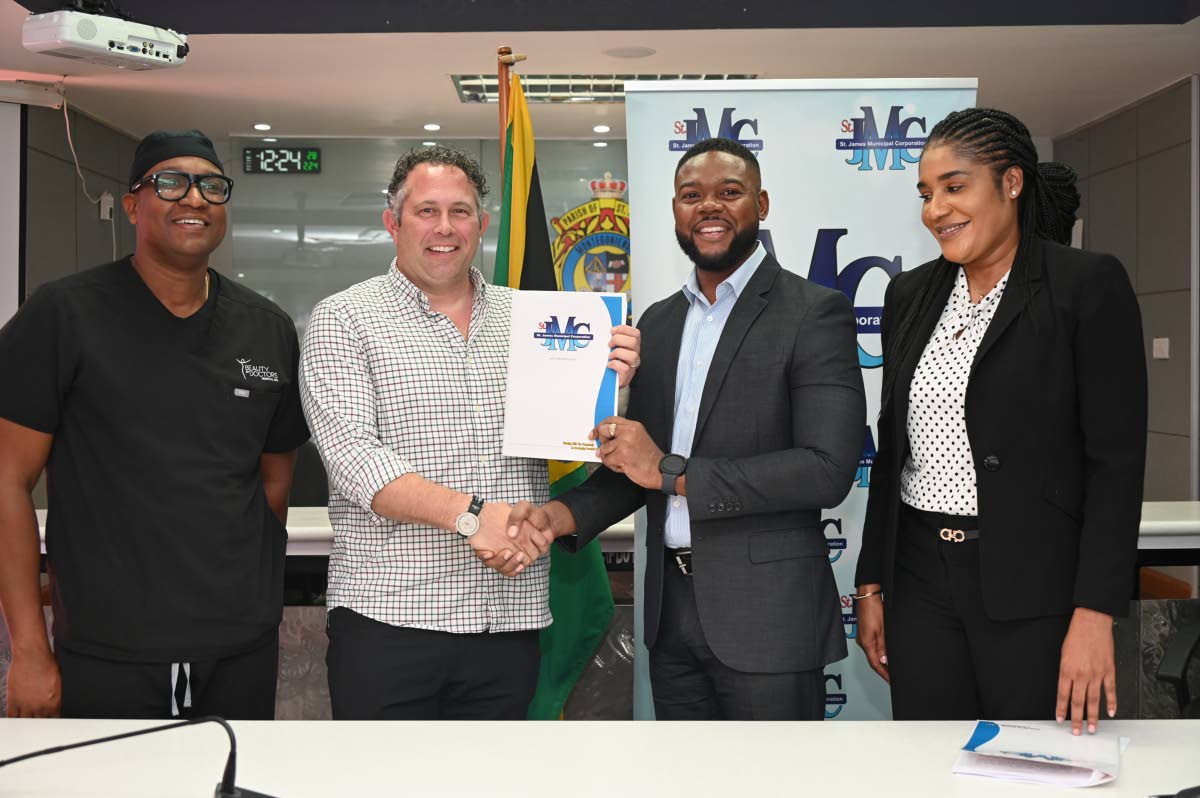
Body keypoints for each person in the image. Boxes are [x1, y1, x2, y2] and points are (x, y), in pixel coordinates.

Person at [500, 137, 866, 720]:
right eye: (691, 195)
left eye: (729, 192)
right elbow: (635, 469)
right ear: (675, 209)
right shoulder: (659, 321)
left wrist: (669, 471)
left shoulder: (812, 311)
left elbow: (825, 471)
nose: (708, 207)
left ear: (762, 203)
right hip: (671, 616)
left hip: (767, 621)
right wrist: (558, 516)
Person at [299, 145, 640, 720]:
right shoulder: (343, 318)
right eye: (426, 211)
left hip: (507, 616)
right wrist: (472, 515)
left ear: (482, 225)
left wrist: (613, 380)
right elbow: (355, 459)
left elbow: (583, 436)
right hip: (389, 621)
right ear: (393, 223)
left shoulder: (534, 319)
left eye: (460, 212)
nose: (444, 227)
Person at [854, 108, 1146, 733]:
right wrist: (872, 584)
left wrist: (1095, 612)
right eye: (926, 194)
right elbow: (891, 450)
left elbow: (1116, 466)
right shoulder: (911, 294)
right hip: (920, 577)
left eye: (955, 187)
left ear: (1011, 184)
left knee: (1032, 765)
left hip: (1037, 586)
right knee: (930, 763)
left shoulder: (1085, 285)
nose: (935, 210)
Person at [0, 129, 309, 719]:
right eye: (171, 182)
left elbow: (274, 482)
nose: (194, 198)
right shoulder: (64, 314)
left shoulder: (265, 327)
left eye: (211, 186)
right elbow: (6, 482)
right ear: (133, 205)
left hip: (240, 646)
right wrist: (30, 651)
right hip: (110, 649)